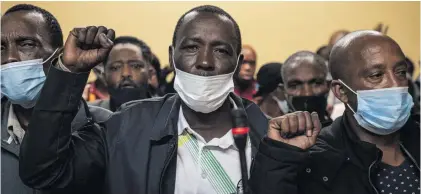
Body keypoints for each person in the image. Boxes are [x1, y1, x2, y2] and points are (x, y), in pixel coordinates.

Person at [20, 5, 268, 194]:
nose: (205, 61)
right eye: (191, 47)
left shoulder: (268, 136)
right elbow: (43, 172)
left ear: (237, 63)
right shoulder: (124, 128)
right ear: (172, 57)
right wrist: (68, 74)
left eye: (221, 50)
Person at [250, 30, 420, 194]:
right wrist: (278, 157)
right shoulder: (318, 157)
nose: (395, 83)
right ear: (341, 91)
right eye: (376, 75)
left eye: (401, 72)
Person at [1, 4, 111, 194]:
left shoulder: (103, 126)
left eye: (26, 44)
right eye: (1, 47)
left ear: (59, 54)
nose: (9, 57)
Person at [89, 36, 152, 111]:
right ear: (104, 76)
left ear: (150, 73)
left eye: (135, 66)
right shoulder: (89, 115)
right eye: (116, 67)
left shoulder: (167, 112)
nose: (125, 73)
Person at [280, 51, 333, 127]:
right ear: (283, 90)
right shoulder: (272, 135)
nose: (307, 93)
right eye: (295, 85)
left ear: (328, 86)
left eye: (316, 83)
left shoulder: (345, 134)